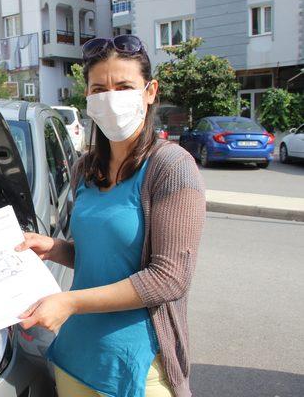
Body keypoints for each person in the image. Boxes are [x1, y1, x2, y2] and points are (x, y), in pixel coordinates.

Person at [15, 35, 205, 397]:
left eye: (124, 86)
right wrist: (55, 248)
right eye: (99, 88)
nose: (111, 97)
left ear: (150, 91)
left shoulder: (172, 167)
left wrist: (69, 302)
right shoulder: (86, 168)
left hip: (136, 367)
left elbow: (169, 278)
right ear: (87, 98)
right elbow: (102, 257)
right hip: (76, 357)